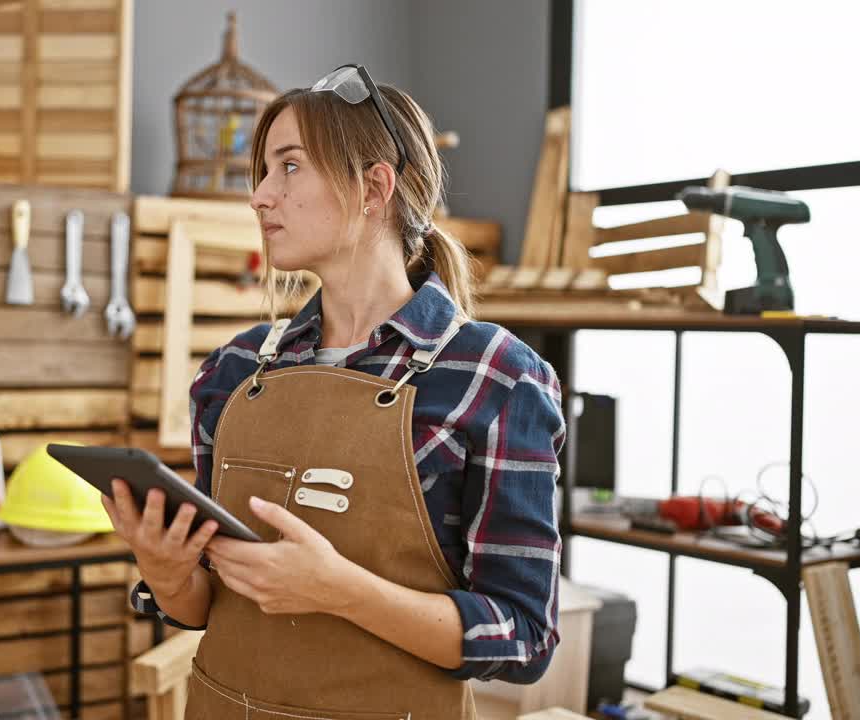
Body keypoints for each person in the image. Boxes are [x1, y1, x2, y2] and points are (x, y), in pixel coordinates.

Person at [101, 64, 565, 719]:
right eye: (261, 172)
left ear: (374, 188)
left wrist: (341, 591)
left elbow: (523, 637)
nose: (260, 196)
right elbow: (204, 607)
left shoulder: (494, 376)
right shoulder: (233, 373)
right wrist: (168, 569)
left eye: (289, 167)